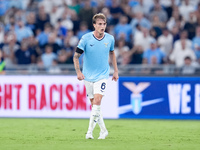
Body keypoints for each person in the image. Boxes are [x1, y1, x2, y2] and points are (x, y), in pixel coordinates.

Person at [73, 13, 118, 140]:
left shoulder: (110, 39)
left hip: (102, 75)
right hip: (88, 76)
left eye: (104, 24)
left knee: (97, 101)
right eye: (99, 24)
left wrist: (115, 71)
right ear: (94, 25)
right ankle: (103, 131)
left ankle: (89, 132)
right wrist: (78, 72)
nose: (102, 26)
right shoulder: (86, 38)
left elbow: (112, 53)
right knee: (94, 106)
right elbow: (76, 56)